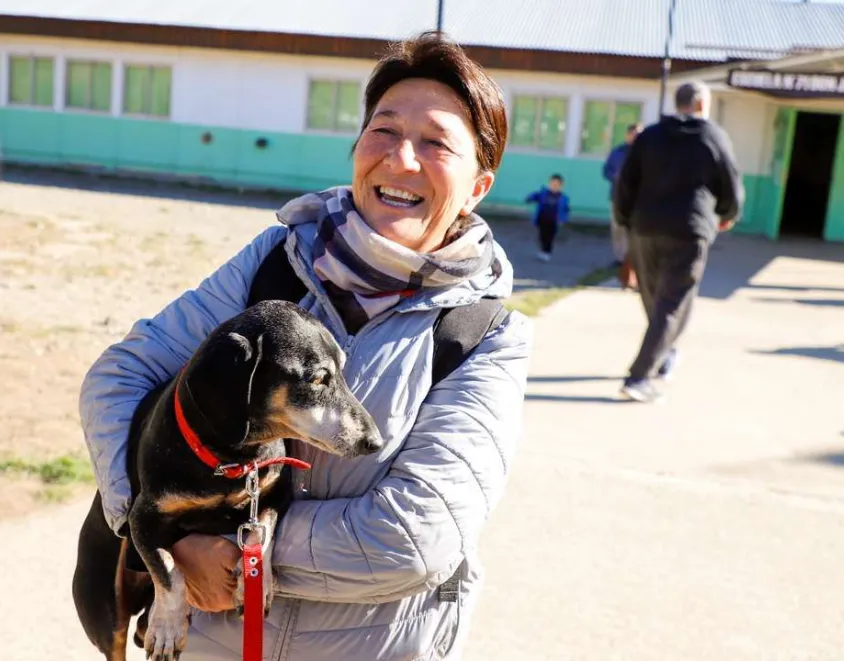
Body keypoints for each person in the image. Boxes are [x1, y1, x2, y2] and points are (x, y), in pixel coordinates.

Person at [78, 32, 532, 661]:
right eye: (384, 129)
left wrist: (239, 556)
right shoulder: (275, 265)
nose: (401, 159)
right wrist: (152, 528)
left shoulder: (483, 334)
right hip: (211, 644)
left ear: (478, 185)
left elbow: (418, 535)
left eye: (435, 143)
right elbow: (119, 377)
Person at [613, 81, 743, 403]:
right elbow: (730, 180)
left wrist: (626, 220)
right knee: (672, 304)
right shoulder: (713, 135)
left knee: (656, 300)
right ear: (701, 104)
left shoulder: (650, 136)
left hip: (644, 228)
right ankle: (638, 377)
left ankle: (663, 354)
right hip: (688, 229)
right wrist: (727, 213)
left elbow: (624, 183)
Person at [604, 124, 643, 287]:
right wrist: (615, 176)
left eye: (637, 134)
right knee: (617, 229)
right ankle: (619, 259)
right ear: (627, 135)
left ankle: (633, 262)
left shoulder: (645, 153)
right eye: (632, 134)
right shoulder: (617, 151)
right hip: (617, 197)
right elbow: (606, 170)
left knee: (633, 231)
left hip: (636, 200)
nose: (634, 137)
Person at [524, 173, 570, 261]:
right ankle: (542, 251)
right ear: (549, 184)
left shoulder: (562, 198)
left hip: (553, 222)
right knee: (542, 236)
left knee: (550, 237)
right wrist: (529, 198)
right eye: (552, 184)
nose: (554, 186)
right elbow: (535, 196)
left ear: (561, 186)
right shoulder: (544, 194)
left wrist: (563, 219)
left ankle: (547, 252)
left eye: (557, 185)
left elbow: (565, 210)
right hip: (542, 219)